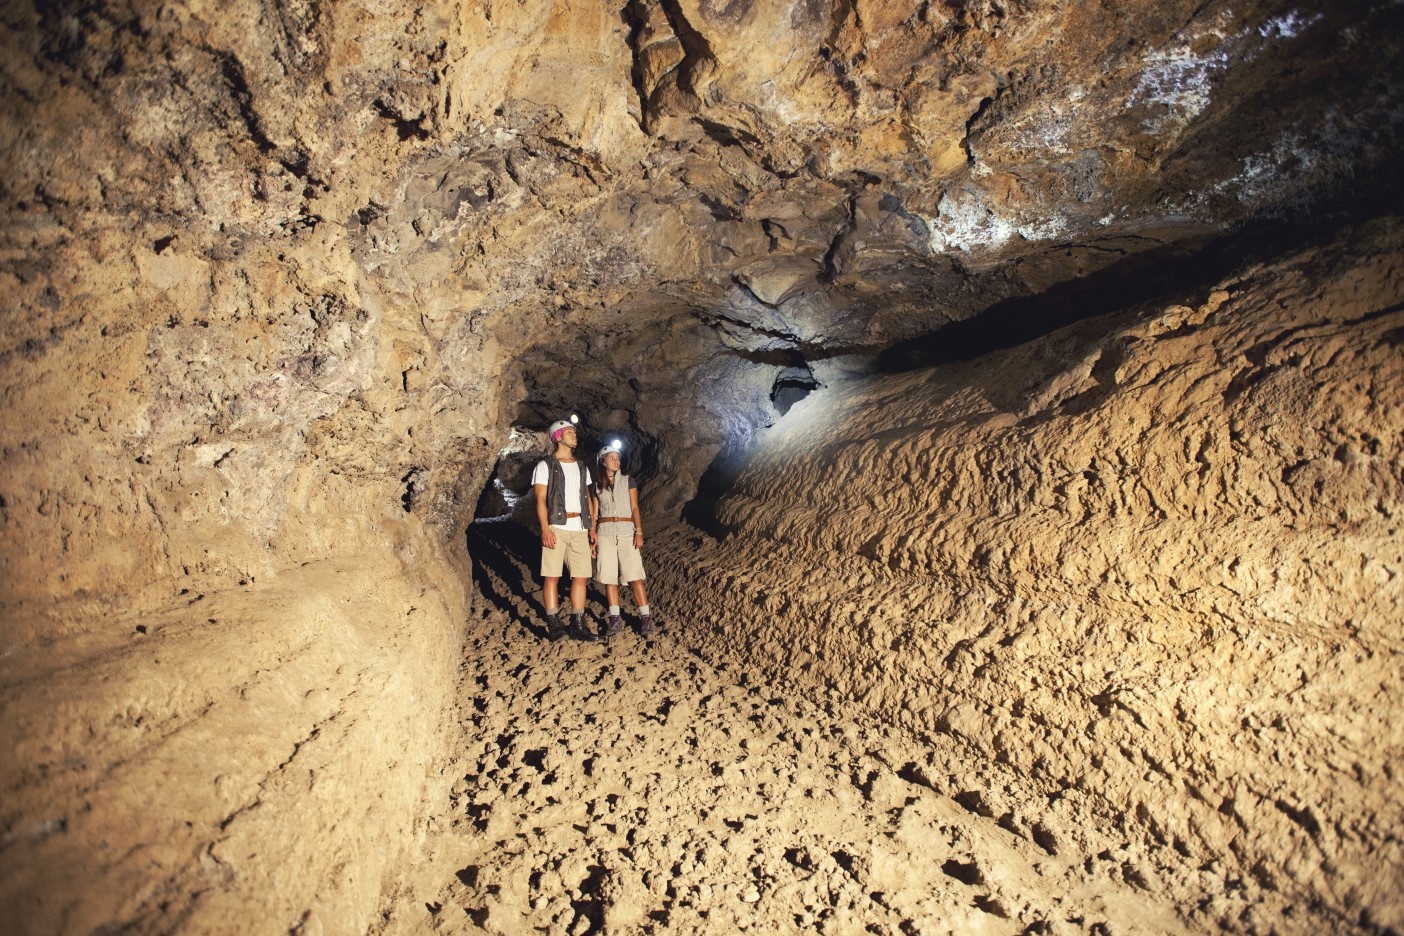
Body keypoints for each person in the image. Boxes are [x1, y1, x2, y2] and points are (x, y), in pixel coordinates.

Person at [532, 420, 599, 642]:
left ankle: (577, 624)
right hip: (557, 527)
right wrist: (545, 528)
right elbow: (540, 500)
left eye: (574, 431)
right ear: (558, 437)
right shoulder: (545, 466)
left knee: (581, 576)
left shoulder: (581, 466)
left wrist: (591, 529)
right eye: (569, 432)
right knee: (552, 576)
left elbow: (587, 498)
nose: (574, 435)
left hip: (579, 527)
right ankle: (554, 624)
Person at [591, 444, 657, 637]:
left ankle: (645, 617)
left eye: (618, 458)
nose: (616, 461)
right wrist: (592, 537)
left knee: (634, 575)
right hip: (605, 533)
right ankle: (614, 618)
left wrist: (639, 531)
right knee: (609, 578)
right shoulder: (596, 486)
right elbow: (595, 514)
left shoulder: (629, 481)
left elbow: (635, 507)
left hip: (627, 531)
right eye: (612, 458)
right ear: (603, 461)